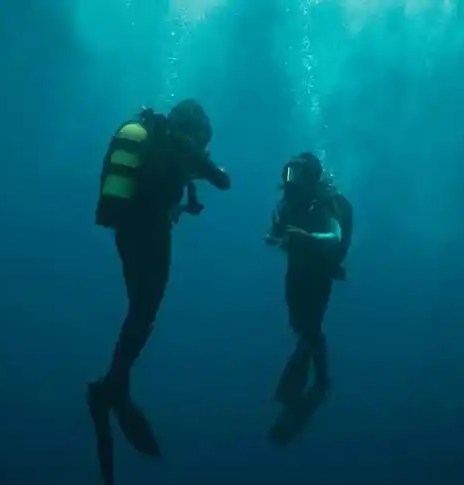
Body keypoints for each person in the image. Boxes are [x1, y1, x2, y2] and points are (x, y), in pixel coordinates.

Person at [88, 99, 230, 484]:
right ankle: (112, 387)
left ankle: (115, 384)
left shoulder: (154, 141)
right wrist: (206, 164)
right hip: (150, 234)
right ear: (192, 130)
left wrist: (185, 195)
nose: (203, 143)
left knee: (139, 307)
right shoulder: (179, 146)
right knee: (145, 309)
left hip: (127, 231)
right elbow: (223, 180)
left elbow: (157, 192)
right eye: (202, 136)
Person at [263, 152, 353, 444]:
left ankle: (321, 381)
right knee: (299, 323)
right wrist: (277, 236)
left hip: (319, 270)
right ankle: (308, 364)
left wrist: (303, 237)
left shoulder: (325, 202)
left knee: (310, 324)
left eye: (297, 175)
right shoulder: (289, 201)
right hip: (297, 269)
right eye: (288, 175)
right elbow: (276, 229)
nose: (291, 182)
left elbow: (335, 236)